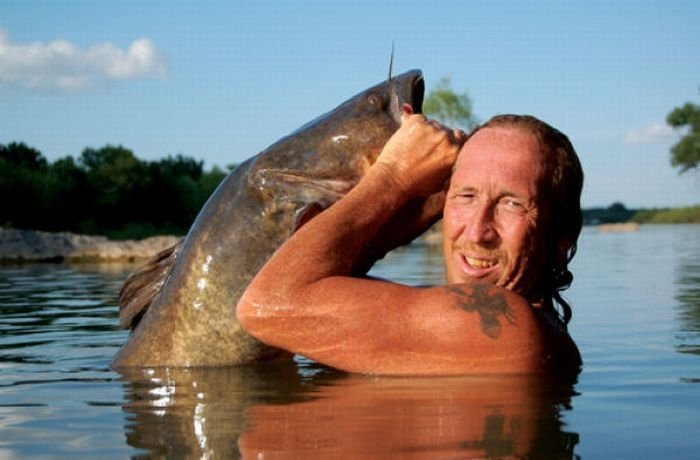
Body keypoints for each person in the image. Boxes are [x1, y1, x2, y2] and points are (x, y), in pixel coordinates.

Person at [236, 110, 583, 376]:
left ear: (560, 239)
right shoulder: (514, 329)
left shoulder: (513, 329)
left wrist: (394, 177)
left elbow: (263, 305)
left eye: (511, 204)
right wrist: (387, 233)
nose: (477, 231)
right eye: (465, 195)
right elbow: (311, 297)